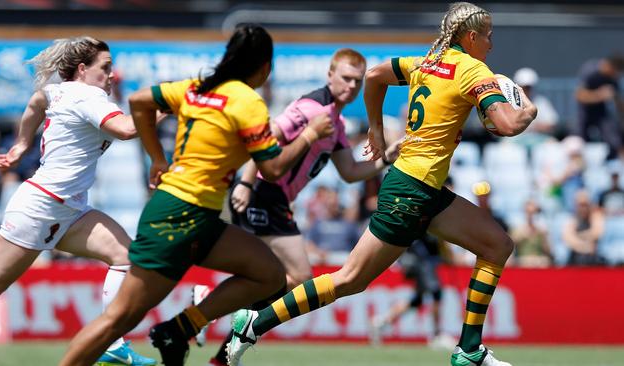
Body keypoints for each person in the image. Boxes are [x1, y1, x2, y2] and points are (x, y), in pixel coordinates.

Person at [225, 3, 537, 366]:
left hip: (423, 187)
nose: (491, 44)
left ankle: (469, 350)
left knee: (497, 244)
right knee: (349, 279)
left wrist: (375, 128)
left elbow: (374, 76)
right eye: (488, 36)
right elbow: (510, 125)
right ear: (471, 37)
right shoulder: (474, 70)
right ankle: (255, 322)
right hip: (412, 190)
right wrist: (527, 107)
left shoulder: (427, 62)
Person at [58, 24, 334, 366]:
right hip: (178, 216)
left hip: (195, 216)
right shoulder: (248, 102)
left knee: (269, 273)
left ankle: (179, 328)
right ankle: (173, 330)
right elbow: (274, 169)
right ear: (265, 68)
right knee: (120, 318)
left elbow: (139, 100)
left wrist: (158, 158)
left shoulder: (195, 88)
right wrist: (309, 135)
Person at [157, 47, 401, 366]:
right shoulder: (311, 106)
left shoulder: (336, 123)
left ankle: (220, 342)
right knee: (298, 278)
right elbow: (266, 135)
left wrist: (386, 159)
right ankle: (219, 318)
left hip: (276, 199)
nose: (352, 87)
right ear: (330, 75)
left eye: (357, 81)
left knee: (267, 277)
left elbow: (350, 172)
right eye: (345, 78)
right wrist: (246, 182)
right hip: (264, 193)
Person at [0, 36, 156, 365]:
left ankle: (111, 345)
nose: (111, 75)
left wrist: (21, 145)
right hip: (42, 205)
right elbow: (128, 130)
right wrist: (169, 107)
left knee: (126, 257)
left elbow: (35, 103)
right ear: (83, 70)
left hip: (68, 209)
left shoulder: (61, 91)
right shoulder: (89, 96)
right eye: (106, 68)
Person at [368, 233, 456, 350]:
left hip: (416, 260)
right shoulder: (430, 222)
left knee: (416, 300)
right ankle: (436, 335)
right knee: (436, 292)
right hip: (419, 260)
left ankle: (381, 322)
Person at [575, 53, 624, 159]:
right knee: (578, 141)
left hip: (600, 112)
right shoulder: (590, 70)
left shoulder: (612, 79)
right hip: (584, 112)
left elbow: (618, 101)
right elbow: (579, 95)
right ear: (610, 67)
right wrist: (599, 95)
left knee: (614, 139)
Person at [511, 67, 559, 149]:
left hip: (538, 139)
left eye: (528, 87)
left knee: (553, 145)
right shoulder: (509, 102)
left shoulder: (541, 102)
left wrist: (532, 126)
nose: (525, 90)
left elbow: (552, 123)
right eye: (522, 87)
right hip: (514, 140)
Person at [563, 189, 606, 266]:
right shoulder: (573, 219)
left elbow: (597, 232)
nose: (583, 208)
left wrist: (579, 236)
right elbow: (569, 239)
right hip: (577, 256)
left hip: (593, 256)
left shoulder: (596, 216)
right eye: (580, 205)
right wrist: (586, 247)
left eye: (585, 204)